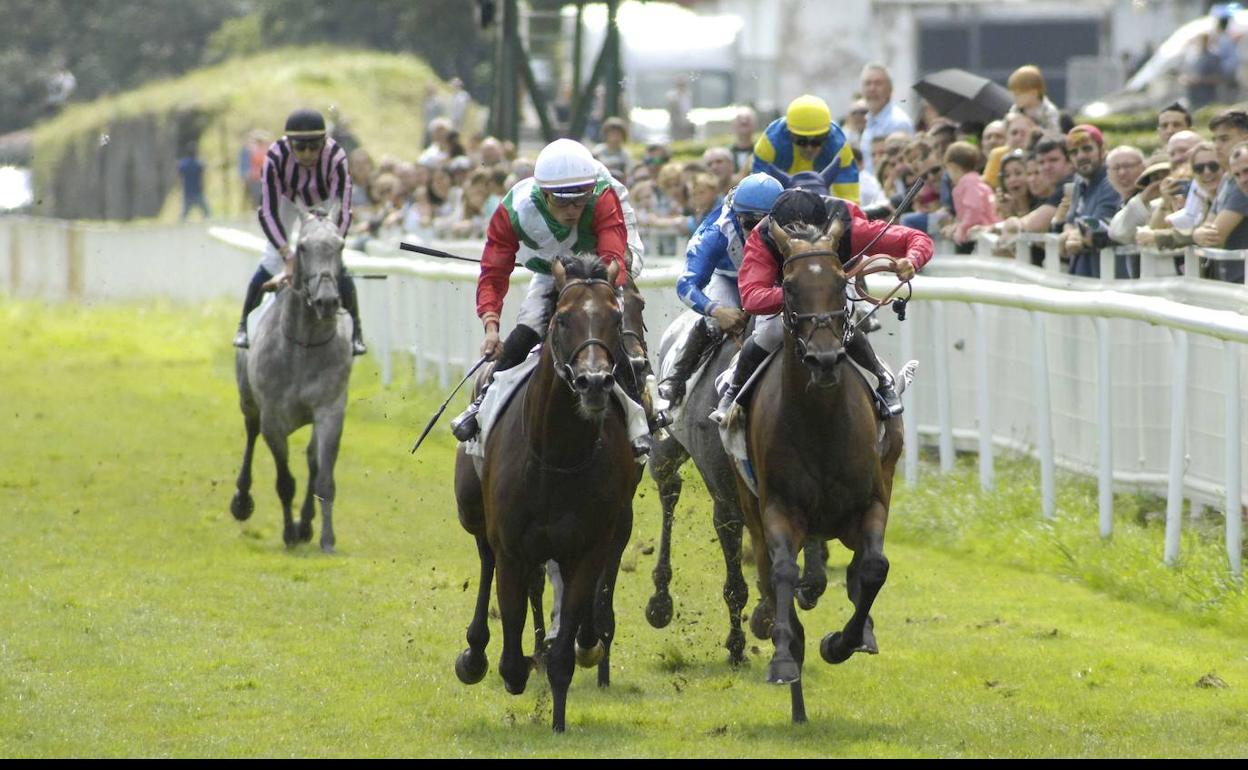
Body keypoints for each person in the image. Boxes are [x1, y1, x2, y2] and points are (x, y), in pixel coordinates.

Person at [449, 138, 647, 445]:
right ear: (543, 194)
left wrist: (606, 281)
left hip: (600, 262)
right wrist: (491, 326)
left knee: (609, 320)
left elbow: (611, 257)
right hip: (552, 266)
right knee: (529, 325)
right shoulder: (514, 210)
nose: (572, 210)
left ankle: (643, 416)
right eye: (563, 202)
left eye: (579, 201)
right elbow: (493, 272)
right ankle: (481, 403)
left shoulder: (602, 196)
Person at [712, 188, 933, 422]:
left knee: (844, 327)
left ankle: (882, 379)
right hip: (788, 289)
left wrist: (912, 260)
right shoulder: (764, 236)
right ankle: (734, 390)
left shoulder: (850, 228)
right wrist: (799, 293)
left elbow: (916, 238)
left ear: (825, 228)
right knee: (770, 332)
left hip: (831, 284)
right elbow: (752, 296)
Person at [232, 109, 366, 355]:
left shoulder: (336, 157)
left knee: (334, 261)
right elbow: (267, 212)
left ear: (323, 143)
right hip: (287, 199)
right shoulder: (274, 156)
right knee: (271, 260)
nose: (307, 154)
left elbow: (344, 210)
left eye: (314, 148)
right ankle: (243, 326)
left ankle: (356, 332)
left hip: (324, 202)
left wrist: (334, 245)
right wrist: (286, 253)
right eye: (300, 148)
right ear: (289, 143)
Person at [658, 173, 784, 405]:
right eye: (748, 223)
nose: (756, 231)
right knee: (715, 322)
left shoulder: (791, 221)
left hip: (772, 281)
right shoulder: (716, 231)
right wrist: (717, 310)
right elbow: (686, 284)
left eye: (765, 223)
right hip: (729, 280)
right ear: (735, 216)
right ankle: (676, 379)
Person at [753, 94, 860, 203]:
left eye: (817, 140)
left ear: (827, 135)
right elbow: (759, 195)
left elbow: (849, 200)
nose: (809, 148)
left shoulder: (839, 147)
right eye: (801, 140)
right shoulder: (769, 143)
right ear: (790, 133)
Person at [1060, 124, 1123, 278]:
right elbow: (1070, 222)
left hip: (1107, 277)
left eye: (1087, 149)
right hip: (1082, 275)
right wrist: (1070, 234)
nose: (1080, 156)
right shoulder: (1079, 182)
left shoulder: (1111, 181)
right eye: (1074, 152)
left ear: (1102, 150)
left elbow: (1095, 228)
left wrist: (1072, 235)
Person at [939, 141, 997, 253]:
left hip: (980, 233)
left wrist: (962, 228)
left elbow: (974, 208)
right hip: (976, 233)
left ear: (953, 167)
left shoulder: (969, 182)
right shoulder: (973, 180)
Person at [857, 64, 915, 176]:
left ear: (890, 89)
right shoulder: (869, 121)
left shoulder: (898, 122)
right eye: (867, 83)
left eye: (878, 83)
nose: (872, 89)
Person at [1005, 65, 1062, 134]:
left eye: (1018, 95)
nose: (1014, 98)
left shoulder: (1048, 111)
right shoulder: (1016, 109)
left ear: (1033, 93)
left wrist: (1033, 127)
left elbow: (1055, 134)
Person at [593, 116, 632, 181]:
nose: (615, 137)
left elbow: (628, 174)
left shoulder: (625, 154)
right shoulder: (598, 151)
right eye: (612, 133)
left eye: (618, 134)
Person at [177, 145, 209, 221]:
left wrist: (179, 187)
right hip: (198, 191)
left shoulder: (183, 164)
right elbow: (204, 175)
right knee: (207, 213)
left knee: (183, 215)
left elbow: (179, 178)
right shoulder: (198, 164)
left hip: (187, 192)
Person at [728, 107, 757, 175]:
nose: (744, 121)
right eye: (739, 119)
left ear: (755, 124)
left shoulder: (763, 152)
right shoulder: (726, 153)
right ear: (733, 125)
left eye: (748, 119)